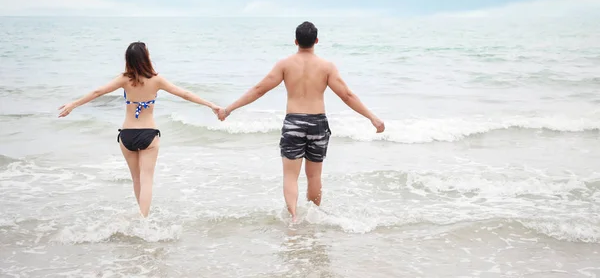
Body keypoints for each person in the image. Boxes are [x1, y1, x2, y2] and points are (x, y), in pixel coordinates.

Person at [218, 21, 385, 221]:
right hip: (318, 124)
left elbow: (259, 90)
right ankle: (314, 218)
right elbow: (347, 96)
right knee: (314, 176)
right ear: (316, 40)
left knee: (290, 176)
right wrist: (372, 118)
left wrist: (229, 109)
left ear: (295, 41)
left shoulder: (285, 65)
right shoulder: (326, 67)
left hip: (293, 123)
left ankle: (294, 218)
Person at [58, 42, 220, 217]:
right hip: (148, 134)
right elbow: (184, 94)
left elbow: (98, 92)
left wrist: (73, 105)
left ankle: (141, 216)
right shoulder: (156, 79)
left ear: (129, 59)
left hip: (126, 135)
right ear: (146, 57)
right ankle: (144, 220)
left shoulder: (124, 79)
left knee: (136, 179)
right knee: (147, 179)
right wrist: (211, 105)